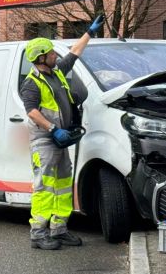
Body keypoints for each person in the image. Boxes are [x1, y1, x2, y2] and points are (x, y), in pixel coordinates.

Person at [19, 15, 104, 250]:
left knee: (64, 184)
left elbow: (74, 53)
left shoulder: (56, 72)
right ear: (41, 58)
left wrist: (90, 32)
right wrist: (53, 129)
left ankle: (59, 230)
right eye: (52, 53)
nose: (56, 56)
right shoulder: (31, 83)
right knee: (44, 187)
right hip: (45, 141)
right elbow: (32, 112)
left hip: (60, 139)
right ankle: (38, 234)